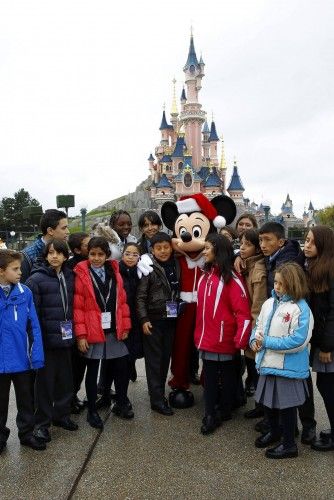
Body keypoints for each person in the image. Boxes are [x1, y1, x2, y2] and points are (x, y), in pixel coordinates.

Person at [256, 221, 317, 442]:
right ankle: (279, 428)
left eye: (267, 240)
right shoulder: (273, 258)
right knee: (276, 390)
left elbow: (298, 332)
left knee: (296, 388)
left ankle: (302, 427)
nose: (262, 244)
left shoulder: (289, 262)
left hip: (290, 331)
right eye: (260, 240)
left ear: (280, 241)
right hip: (275, 325)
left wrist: (266, 341)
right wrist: (257, 336)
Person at [250, 262, 313, 459]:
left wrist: (266, 342)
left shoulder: (300, 308)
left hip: (288, 367)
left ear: (293, 284)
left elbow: (299, 341)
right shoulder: (269, 303)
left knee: (287, 406)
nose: (276, 287)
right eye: (275, 282)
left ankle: (289, 444)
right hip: (268, 363)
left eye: (281, 284)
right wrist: (254, 340)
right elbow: (259, 325)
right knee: (269, 402)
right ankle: (275, 431)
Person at [194, 234, 252, 435]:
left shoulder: (232, 280)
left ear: (219, 251)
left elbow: (243, 313)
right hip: (208, 337)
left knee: (227, 377)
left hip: (224, 339)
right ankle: (211, 412)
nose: (204, 251)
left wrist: (240, 340)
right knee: (209, 376)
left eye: (208, 248)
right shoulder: (206, 275)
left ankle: (223, 410)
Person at [73, 236, 132, 429]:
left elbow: (122, 302)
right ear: (87, 254)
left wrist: (125, 326)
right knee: (92, 370)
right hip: (93, 329)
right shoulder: (82, 274)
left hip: (114, 328)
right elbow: (78, 308)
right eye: (92, 254)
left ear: (107, 255)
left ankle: (122, 402)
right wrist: (81, 335)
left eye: (100, 254)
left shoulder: (114, 271)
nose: (96, 258)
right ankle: (92, 410)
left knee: (121, 366)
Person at [26, 240, 78, 444]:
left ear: (66, 256)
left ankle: (62, 415)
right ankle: (42, 424)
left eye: (59, 253)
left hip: (66, 338)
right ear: (46, 255)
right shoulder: (36, 280)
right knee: (45, 385)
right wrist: (37, 342)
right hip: (47, 340)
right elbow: (33, 316)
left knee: (65, 380)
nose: (54, 256)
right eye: (51, 252)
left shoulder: (70, 276)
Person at [0, 250, 45, 452]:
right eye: (15, 269)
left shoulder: (24, 292)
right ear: (2, 271)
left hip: (22, 358)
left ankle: (26, 433)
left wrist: (36, 355)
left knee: (26, 400)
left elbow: (33, 325)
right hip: (1, 360)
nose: (20, 272)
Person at [136, 232, 179, 416]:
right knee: (154, 361)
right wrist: (144, 319)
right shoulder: (148, 268)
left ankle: (159, 393)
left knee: (164, 359)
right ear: (152, 250)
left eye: (166, 247)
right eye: (158, 248)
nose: (163, 251)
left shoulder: (176, 264)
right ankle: (156, 400)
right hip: (154, 320)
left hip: (170, 319)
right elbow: (141, 297)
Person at [303, 226, 334, 452]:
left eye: (312, 242)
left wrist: (327, 346)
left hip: (328, 343)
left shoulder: (330, 270)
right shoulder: (316, 266)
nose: (307, 245)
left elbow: (332, 312)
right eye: (306, 240)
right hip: (323, 339)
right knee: (326, 385)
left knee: (327, 385)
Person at [239, 229, 267, 413]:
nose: (242, 248)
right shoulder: (246, 265)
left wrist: (255, 334)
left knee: (259, 369)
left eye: (247, 245)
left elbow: (258, 305)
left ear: (257, 249)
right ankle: (260, 407)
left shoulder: (258, 269)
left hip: (255, 326)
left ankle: (264, 410)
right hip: (249, 323)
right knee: (254, 368)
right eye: (241, 243)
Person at [67, 232, 90, 414]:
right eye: (87, 245)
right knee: (74, 365)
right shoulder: (71, 269)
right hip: (74, 323)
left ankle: (74, 395)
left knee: (81, 364)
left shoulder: (92, 264)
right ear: (76, 250)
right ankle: (70, 397)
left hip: (88, 322)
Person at [21, 209, 69, 283]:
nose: (68, 232)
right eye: (64, 228)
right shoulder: (26, 256)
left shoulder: (66, 249)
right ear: (50, 231)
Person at [119, 242, 144, 383]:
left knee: (134, 344)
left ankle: (131, 364)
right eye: (127, 254)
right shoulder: (116, 271)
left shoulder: (141, 272)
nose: (130, 257)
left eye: (135, 255)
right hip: (122, 315)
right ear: (122, 254)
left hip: (136, 315)